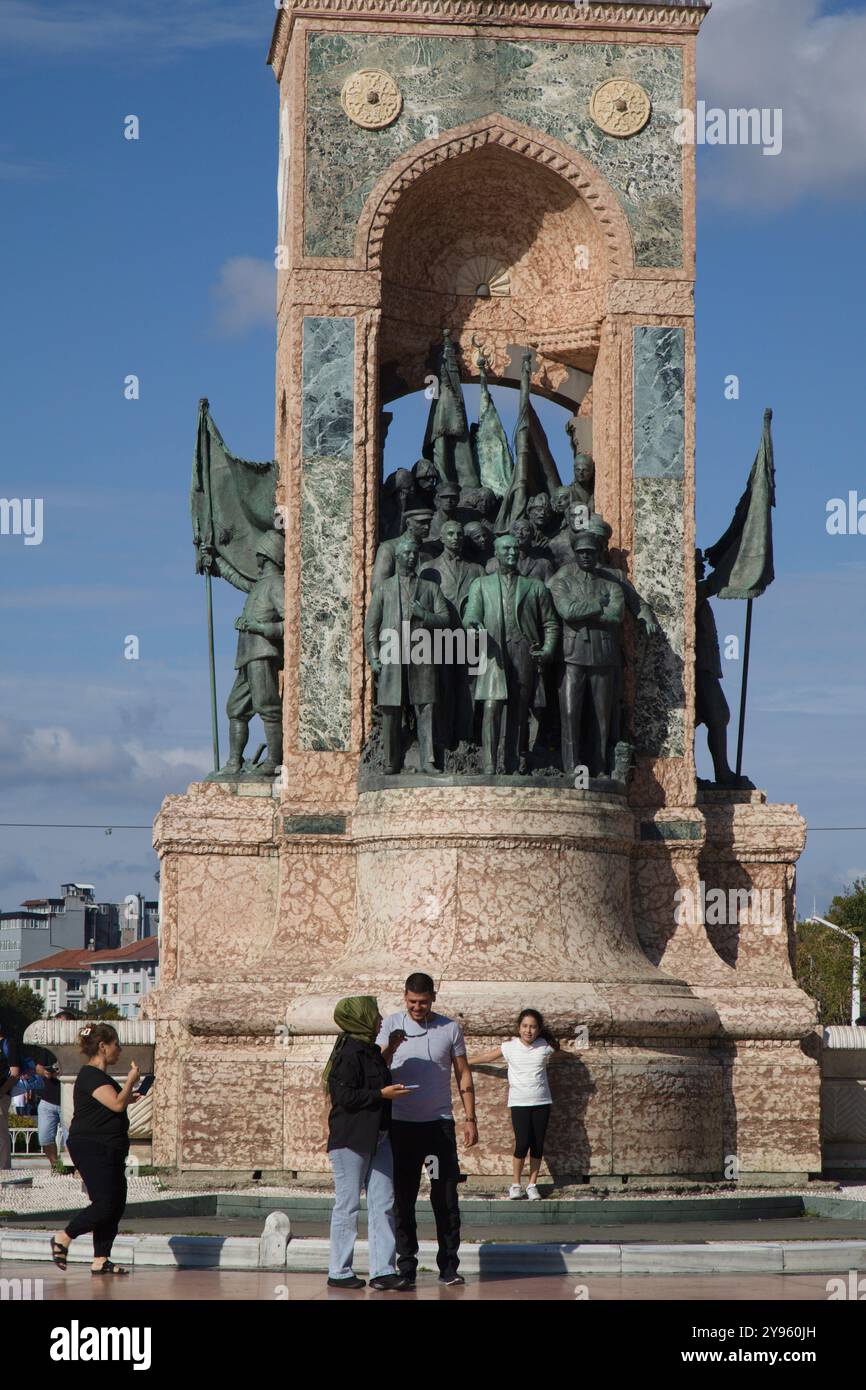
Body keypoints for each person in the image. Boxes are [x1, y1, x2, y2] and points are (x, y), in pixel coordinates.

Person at [377, 973, 477, 1287]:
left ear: (433, 997)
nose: (417, 1008)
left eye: (422, 1002)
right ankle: (406, 1267)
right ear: (404, 998)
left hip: (437, 1129)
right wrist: (391, 1046)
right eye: (411, 1002)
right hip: (402, 1128)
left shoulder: (450, 1028)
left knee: (444, 1197)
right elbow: (376, 1068)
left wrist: (470, 1119)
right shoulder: (390, 1024)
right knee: (403, 1199)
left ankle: (448, 1266)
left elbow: (463, 1074)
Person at [324, 996, 412, 1291]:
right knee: (348, 1205)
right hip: (351, 1139)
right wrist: (381, 1095)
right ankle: (339, 1270)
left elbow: (373, 1077)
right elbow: (344, 1098)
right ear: (360, 1019)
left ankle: (383, 1271)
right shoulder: (348, 1053)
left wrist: (393, 1047)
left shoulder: (369, 1050)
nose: (381, 1020)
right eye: (375, 1015)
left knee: (383, 1203)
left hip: (379, 1136)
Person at [463, 534, 560, 774]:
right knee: (491, 706)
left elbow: (550, 623)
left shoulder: (534, 586)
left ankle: (513, 762)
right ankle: (489, 765)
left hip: (524, 652)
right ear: (495, 553)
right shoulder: (481, 585)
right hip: (493, 651)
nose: (512, 553)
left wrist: (547, 649)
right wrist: (473, 625)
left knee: (519, 708)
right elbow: (471, 615)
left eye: (515, 549)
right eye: (506, 549)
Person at [50, 1023, 140, 1276]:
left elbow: (111, 1102)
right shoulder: (90, 1075)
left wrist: (131, 1094)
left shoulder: (100, 1078)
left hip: (108, 1147)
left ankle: (101, 1258)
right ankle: (63, 1237)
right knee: (105, 1202)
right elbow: (116, 1104)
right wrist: (131, 1081)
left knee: (116, 1202)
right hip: (92, 1147)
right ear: (103, 1046)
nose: (119, 1050)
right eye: (116, 1045)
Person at [470, 1009, 564, 1200]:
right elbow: (488, 1057)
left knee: (537, 1145)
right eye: (525, 1026)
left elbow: (561, 1049)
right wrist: (463, 1063)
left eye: (533, 1027)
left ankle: (532, 1185)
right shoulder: (509, 1046)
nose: (528, 1031)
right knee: (522, 1144)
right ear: (519, 1027)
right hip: (519, 1102)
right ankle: (515, 1184)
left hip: (542, 1102)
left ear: (539, 1029)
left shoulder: (545, 1046)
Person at [33, 1049, 67, 1171]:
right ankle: (55, 1166)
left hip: (68, 1100)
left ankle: (72, 1167)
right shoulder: (48, 1048)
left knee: (71, 1138)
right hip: (48, 1099)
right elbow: (38, 1068)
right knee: (44, 1137)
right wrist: (46, 1072)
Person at [0, 1016, 21, 1170]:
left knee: (0, 1133)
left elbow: (15, 1073)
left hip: (1, 1094)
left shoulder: (7, 1044)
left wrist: (2, 1091)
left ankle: (3, 1168)